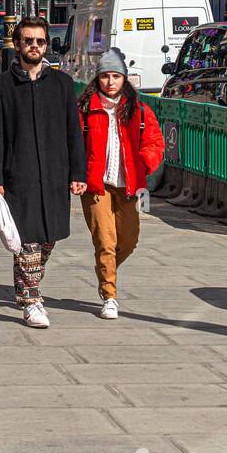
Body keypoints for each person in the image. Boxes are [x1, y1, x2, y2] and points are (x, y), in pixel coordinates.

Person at [0, 16, 87, 328]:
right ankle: (32, 301)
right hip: (19, 175)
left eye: (40, 41)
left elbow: (73, 132)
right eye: (28, 40)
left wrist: (78, 172)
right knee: (26, 239)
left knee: (47, 238)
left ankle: (26, 285)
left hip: (55, 174)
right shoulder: (1, 85)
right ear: (17, 45)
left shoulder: (62, 84)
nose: (34, 46)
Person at [77, 48, 165, 319]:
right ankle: (110, 296)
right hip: (96, 185)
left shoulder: (139, 110)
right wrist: (76, 175)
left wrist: (144, 163)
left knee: (128, 240)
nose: (110, 82)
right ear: (97, 79)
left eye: (116, 76)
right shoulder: (85, 109)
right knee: (105, 240)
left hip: (129, 185)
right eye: (105, 76)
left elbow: (155, 142)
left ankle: (105, 269)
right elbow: (73, 145)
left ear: (124, 78)